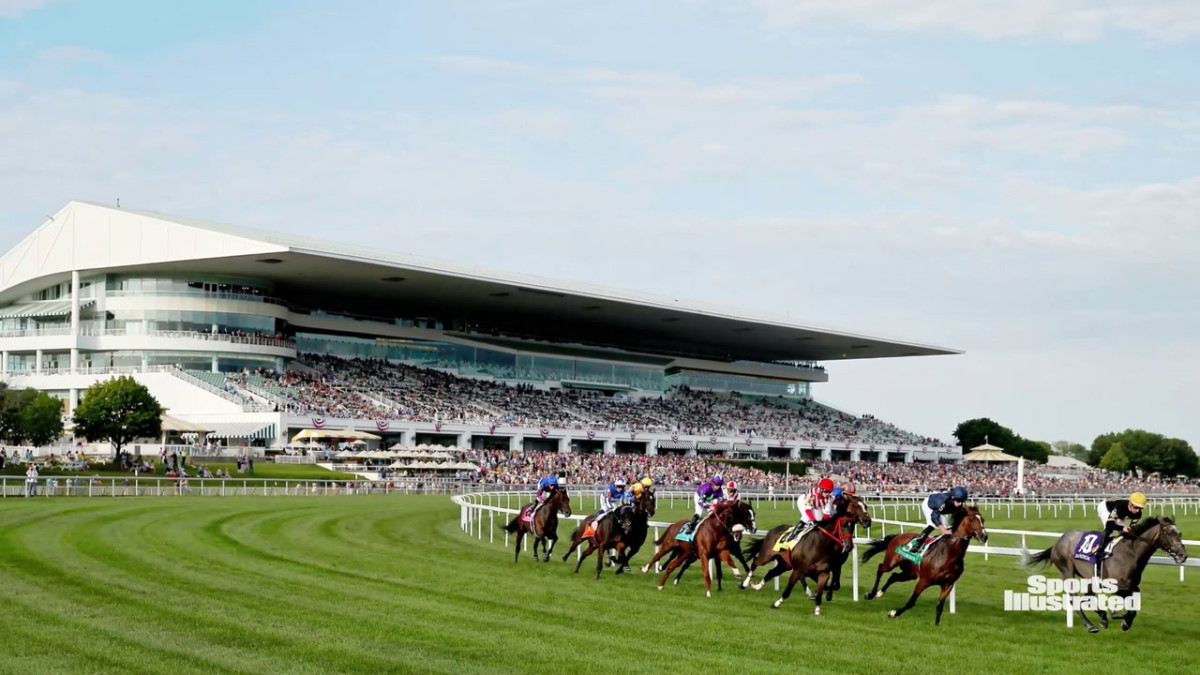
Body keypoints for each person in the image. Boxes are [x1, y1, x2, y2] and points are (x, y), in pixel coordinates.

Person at [910, 486, 968, 555]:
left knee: (946, 527)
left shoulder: (956, 501)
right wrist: (944, 530)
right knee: (932, 524)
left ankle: (945, 547)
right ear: (953, 498)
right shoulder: (943, 501)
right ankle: (918, 543)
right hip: (929, 505)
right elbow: (934, 517)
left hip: (942, 509)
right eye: (958, 501)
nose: (960, 503)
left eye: (962, 501)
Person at [782, 478, 835, 544]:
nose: (827, 494)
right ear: (821, 489)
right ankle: (794, 534)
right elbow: (807, 510)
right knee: (807, 518)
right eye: (826, 491)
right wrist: (812, 520)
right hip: (803, 502)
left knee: (819, 519)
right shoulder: (812, 495)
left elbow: (826, 515)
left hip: (816, 505)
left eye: (829, 492)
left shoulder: (830, 498)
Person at [1095, 492, 1146, 561]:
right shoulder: (1119, 507)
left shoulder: (1138, 514)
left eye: (1140, 508)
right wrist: (1122, 528)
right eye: (1136, 507)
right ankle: (1099, 550)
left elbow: (1133, 528)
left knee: (1127, 533)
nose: (1137, 511)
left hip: (1120, 514)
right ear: (1130, 503)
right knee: (1109, 529)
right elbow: (1109, 524)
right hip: (1105, 508)